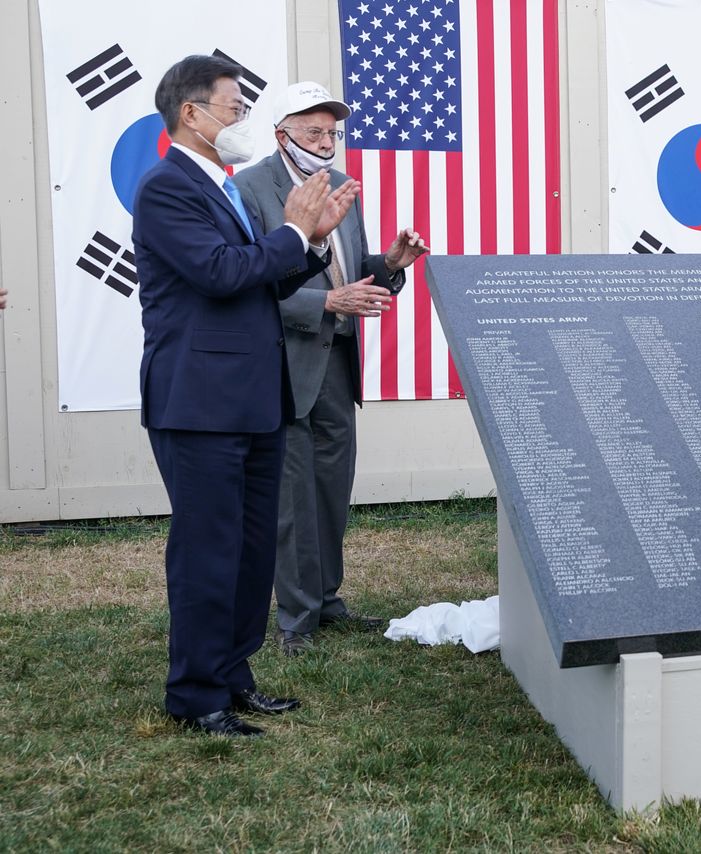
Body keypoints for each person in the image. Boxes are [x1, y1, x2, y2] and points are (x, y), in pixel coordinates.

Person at [134, 55, 359, 736]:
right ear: (191, 113)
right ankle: (196, 695)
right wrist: (292, 232)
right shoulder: (166, 188)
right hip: (200, 402)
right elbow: (219, 272)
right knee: (208, 551)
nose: (241, 119)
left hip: (255, 398)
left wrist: (311, 243)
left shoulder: (222, 186)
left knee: (252, 550)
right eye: (233, 107)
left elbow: (261, 280)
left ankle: (233, 676)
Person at [234, 82, 426, 655]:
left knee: (331, 487)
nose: (326, 142)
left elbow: (346, 269)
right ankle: (296, 619)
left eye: (333, 132)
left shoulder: (342, 186)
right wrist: (325, 303)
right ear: (282, 135)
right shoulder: (249, 189)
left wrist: (389, 263)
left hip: (338, 357)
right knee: (292, 497)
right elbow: (249, 286)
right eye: (314, 131)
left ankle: (326, 599)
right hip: (283, 360)